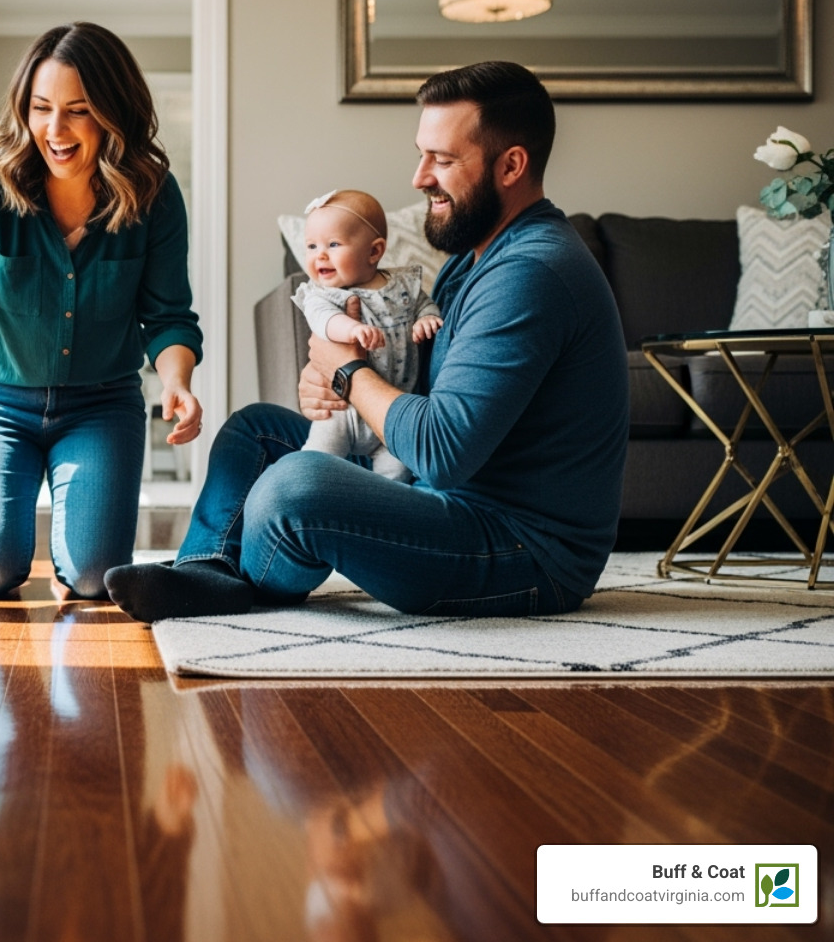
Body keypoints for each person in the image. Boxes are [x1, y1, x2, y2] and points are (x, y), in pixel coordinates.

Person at [105, 60, 628, 623]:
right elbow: (426, 388)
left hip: (522, 550)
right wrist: (328, 380)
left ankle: (246, 583)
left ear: (512, 165)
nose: (419, 176)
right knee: (253, 430)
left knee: (296, 485)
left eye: (443, 160)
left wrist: (349, 374)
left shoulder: (531, 272)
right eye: (422, 153)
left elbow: (441, 451)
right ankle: (205, 573)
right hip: (441, 493)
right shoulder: (474, 262)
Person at [0, 22, 203, 600]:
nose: (55, 130)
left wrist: (177, 382)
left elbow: (169, 312)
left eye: (78, 110)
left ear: (113, 113)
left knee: (98, 579)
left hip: (102, 405)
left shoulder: (155, 194)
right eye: (41, 107)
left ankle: (73, 559)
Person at [291, 188, 441, 479]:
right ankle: (308, 487)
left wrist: (427, 319)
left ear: (374, 251)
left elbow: (424, 304)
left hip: (394, 410)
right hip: (342, 412)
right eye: (311, 246)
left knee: (395, 476)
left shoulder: (401, 286)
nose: (319, 255)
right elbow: (322, 319)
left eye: (333, 244)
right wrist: (351, 328)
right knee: (313, 464)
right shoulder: (324, 294)